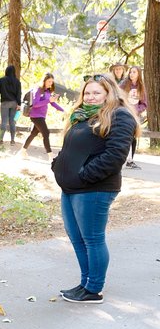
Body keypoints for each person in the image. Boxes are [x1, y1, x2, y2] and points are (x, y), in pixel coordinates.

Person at [51, 74, 139, 304]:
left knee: (92, 238)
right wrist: (58, 165)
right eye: (87, 93)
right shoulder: (82, 116)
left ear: (109, 93)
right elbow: (71, 147)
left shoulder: (120, 116)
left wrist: (84, 176)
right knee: (77, 238)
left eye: (96, 93)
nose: (90, 97)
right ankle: (85, 284)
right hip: (71, 188)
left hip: (94, 188)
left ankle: (94, 289)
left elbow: (115, 156)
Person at [17, 73, 64, 161]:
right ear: (44, 80)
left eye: (52, 82)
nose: (50, 83)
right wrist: (48, 100)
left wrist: (63, 110)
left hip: (41, 116)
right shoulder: (38, 89)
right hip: (35, 116)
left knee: (33, 133)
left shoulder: (48, 91)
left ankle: (22, 151)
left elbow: (52, 103)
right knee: (46, 133)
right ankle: (51, 156)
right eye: (49, 81)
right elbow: (35, 104)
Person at [119, 65, 147, 169]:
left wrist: (136, 110)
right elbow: (118, 97)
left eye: (134, 72)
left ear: (139, 73)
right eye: (130, 72)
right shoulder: (124, 84)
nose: (131, 74)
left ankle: (130, 161)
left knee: (133, 137)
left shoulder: (141, 87)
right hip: (124, 113)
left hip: (134, 116)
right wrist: (123, 107)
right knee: (124, 135)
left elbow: (144, 104)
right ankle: (121, 159)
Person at [0, 65, 21, 145]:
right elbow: (19, 93)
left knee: (4, 121)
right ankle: (12, 141)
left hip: (5, 103)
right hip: (14, 103)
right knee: (12, 121)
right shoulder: (17, 81)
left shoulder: (1, 80)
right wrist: (19, 104)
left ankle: (1, 140)